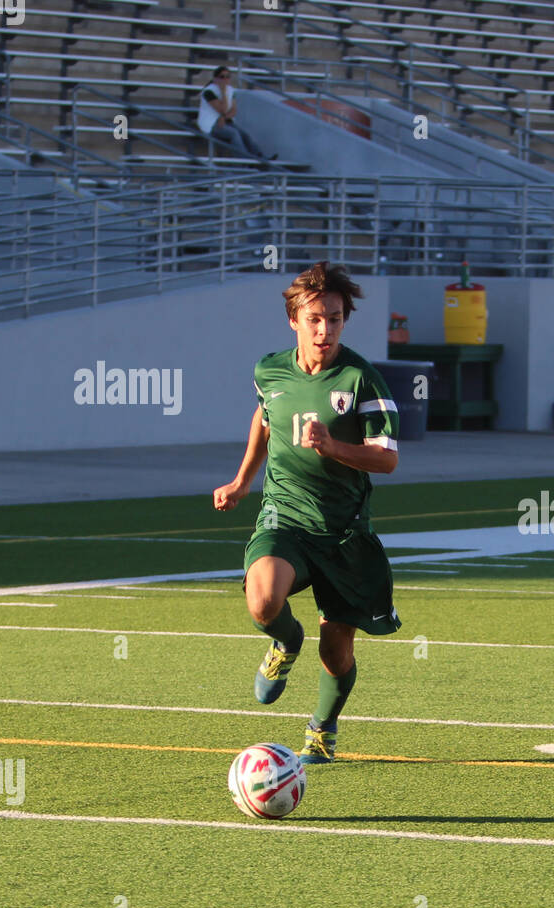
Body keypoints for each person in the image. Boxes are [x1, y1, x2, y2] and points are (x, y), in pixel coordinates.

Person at [213, 262, 402, 764]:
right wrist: (242, 481)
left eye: (335, 319)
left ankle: (323, 727)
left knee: (337, 652)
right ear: (294, 319)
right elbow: (265, 416)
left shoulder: (363, 379)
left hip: (343, 533)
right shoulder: (269, 370)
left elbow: (386, 458)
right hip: (285, 516)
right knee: (262, 601)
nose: (325, 330)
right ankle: (284, 643)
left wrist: (333, 448)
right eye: (315, 319)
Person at [197, 64, 276, 163]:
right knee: (234, 134)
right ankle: (246, 162)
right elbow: (223, 109)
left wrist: (223, 117)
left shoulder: (231, 90)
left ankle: (261, 158)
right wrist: (223, 92)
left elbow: (233, 110)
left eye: (227, 77)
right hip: (211, 124)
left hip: (225, 121)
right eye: (222, 77)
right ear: (215, 79)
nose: (225, 79)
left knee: (244, 134)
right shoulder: (209, 91)